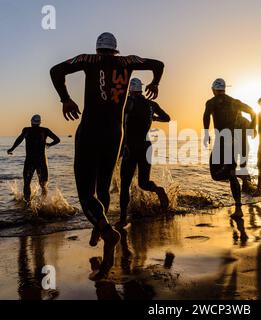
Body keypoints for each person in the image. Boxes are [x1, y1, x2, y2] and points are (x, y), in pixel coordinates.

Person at [50, 32, 164, 278]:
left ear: (98, 48)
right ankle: (101, 230)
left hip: (90, 131)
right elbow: (158, 64)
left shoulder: (87, 60)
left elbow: (55, 71)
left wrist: (65, 99)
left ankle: (107, 232)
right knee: (102, 187)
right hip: (115, 134)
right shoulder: (128, 62)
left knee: (85, 194)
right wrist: (155, 83)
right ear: (115, 50)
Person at [119, 78, 170, 227]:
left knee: (125, 185)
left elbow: (124, 126)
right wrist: (154, 118)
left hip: (131, 146)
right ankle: (158, 190)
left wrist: (121, 148)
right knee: (144, 182)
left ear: (130, 89)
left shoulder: (127, 102)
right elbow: (167, 118)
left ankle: (123, 219)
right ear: (141, 89)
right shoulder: (151, 104)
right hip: (146, 145)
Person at [203, 78, 256, 218]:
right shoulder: (235, 102)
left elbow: (206, 116)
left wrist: (205, 133)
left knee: (215, 174)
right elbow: (253, 112)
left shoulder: (211, 102)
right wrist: (253, 127)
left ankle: (238, 206)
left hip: (222, 140)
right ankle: (238, 204)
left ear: (214, 89)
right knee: (228, 173)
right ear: (224, 89)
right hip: (233, 141)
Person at [7, 115, 60, 203]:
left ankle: (27, 203)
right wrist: (49, 145)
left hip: (30, 160)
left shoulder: (27, 130)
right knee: (43, 185)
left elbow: (20, 139)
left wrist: (12, 149)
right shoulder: (45, 130)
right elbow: (57, 140)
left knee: (27, 184)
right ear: (40, 122)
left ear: (31, 122)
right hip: (42, 161)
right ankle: (43, 203)